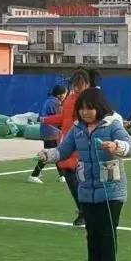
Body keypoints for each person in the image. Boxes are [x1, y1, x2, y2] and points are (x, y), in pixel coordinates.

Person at [39, 89, 131, 261]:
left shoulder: (112, 125)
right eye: (82, 108)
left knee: (106, 234)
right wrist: (48, 155)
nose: (85, 112)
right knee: (92, 235)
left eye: (89, 108)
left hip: (111, 192)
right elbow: (63, 151)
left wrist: (116, 146)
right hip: (87, 191)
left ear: (99, 108)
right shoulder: (77, 129)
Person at [43, 69, 92, 226]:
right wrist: (46, 120)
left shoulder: (89, 100)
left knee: (80, 178)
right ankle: (84, 210)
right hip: (67, 143)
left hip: (82, 144)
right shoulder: (70, 99)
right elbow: (64, 119)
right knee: (72, 177)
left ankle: (86, 211)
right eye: (75, 85)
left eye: (80, 85)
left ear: (87, 84)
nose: (77, 88)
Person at [28, 85, 68, 184]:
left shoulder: (49, 101)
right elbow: (58, 118)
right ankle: (34, 175)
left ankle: (62, 175)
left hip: (48, 131)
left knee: (56, 153)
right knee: (48, 154)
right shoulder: (55, 103)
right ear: (59, 95)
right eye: (64, 94)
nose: (65, 96)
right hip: (51, 132)